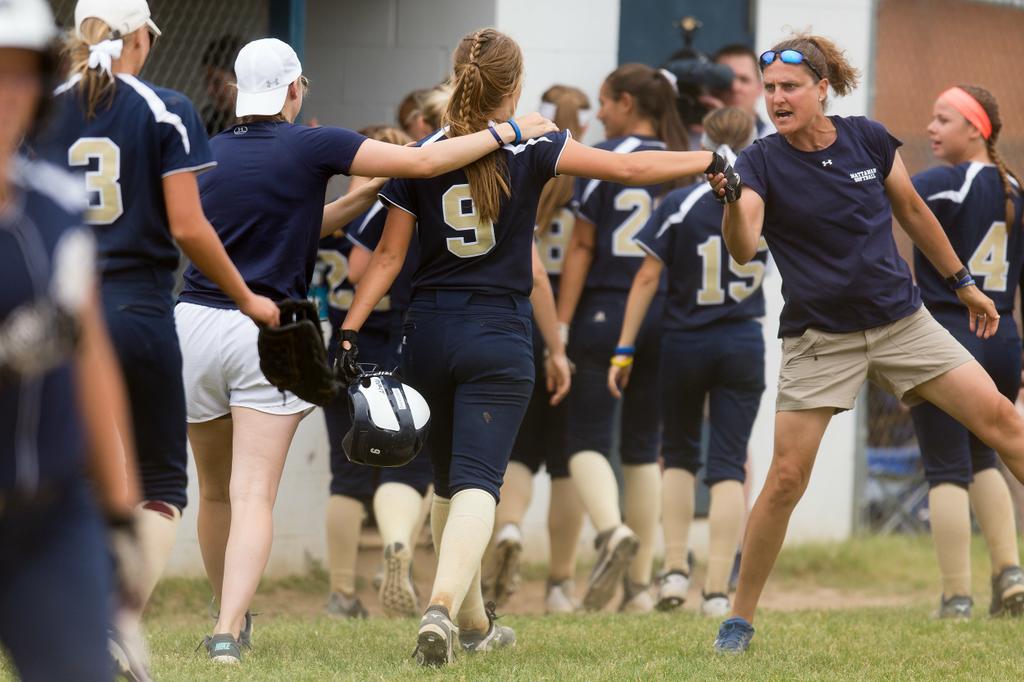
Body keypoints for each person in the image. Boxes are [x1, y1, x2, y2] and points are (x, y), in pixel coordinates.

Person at [174, 36, 558, 663]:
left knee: (213, 492)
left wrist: (359, 200)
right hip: (270, 325)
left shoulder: (207, 152)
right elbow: (427, 163)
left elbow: (296, 223)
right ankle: (226, 631)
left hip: (192, 322)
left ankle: (232, 623)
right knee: (251, 496)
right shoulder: (312, 144)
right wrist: (510, 129)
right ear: (295, 90)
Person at [340, 27, 715, 666]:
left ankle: (475, 622)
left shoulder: (426, 151)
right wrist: (709, 161)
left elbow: (387, 257)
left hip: (428, 329)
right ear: (512, 86)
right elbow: (629, 167)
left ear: (457, 78)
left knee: (445, 483)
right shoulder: (535, 143)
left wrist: (350, 327)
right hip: (499, 330)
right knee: (481, 482)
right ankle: (439, 610)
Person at [707, 33, 1024, 654]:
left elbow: (912, 211)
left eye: (790, 88)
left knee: (1003, 424)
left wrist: (962, 282)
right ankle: (738, 620)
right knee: (785, 480)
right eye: (770, 90)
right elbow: (745, 246)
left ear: (822, 88)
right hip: (820, 339)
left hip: (903, 325)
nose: (777, 99)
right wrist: (727, 201)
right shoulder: (760, 162)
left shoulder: (868, 138)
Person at [37, 0, 282, 622]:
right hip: (138, 308)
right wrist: (248, 296)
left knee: (64, 471)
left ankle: (64, 609)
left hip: (58, 312)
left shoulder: (40, 102)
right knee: (161, 483)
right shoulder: (166, 107)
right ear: (139, 40)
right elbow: (189, 227)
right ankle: (117, 623)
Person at [1, 1, 144, 678]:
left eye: (19, 74)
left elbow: (91, 360)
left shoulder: (55, 206)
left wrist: (119, 512)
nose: (6, 94)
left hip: (49, 517)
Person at [610, 106, 765, 618]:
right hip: (743, 339)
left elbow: (647, 279)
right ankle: (718, 590)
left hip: (685, 341)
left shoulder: (679, 201)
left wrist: (625, 346)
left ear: (704, 136)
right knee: (727, 463)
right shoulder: (764, 198)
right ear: (753, 136)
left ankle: (675, 570)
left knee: (676, 455)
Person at [556, 62, 691, 614]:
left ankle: (611, 532)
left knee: (584, 438)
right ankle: (638, 587)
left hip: (609, 307)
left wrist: (561, 328)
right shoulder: (686, 161)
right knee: (642, 446)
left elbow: (582, 249)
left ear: (629, 103)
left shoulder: (606, 161)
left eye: (606, 102)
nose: (600, 113)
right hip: (666, 313)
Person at [908, 84, 1024, 619]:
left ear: (976, 130)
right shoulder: (1015, 190)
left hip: (949, 335)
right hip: (1002, 338)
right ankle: (1011, 576)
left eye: (943, 119)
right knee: (986, 457)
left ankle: (957, 597)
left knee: (944, 468)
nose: (931, 129)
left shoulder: (940, 184)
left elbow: (883, 198)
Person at [483, 84, 591, 614]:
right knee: (567, 457)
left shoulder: (516, 170)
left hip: (511, 318)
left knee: (519, 450)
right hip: (571, 331)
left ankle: (508, 526)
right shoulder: (585, 188)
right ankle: (560, 584)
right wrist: (562, 341)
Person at [323, 124, 435, 620]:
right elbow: (359, 267)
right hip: (387, 341)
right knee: (410, 461)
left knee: (345, 469)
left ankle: (341, 592)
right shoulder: (393, 203)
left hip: (348, 340)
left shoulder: (345, 212)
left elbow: (348, 269)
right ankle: (398, 551)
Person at [712, 44, 774, 138]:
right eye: (726, 79)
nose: (734, 87)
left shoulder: (779, 142)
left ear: (760, 87)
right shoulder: (691, 139)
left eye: (744, 79)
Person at [199, 34, 243, 136]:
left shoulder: (263, 120)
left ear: (239, 79)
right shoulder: (208, 121)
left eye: (217, 82)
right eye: (207, 82)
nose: (209, 90)